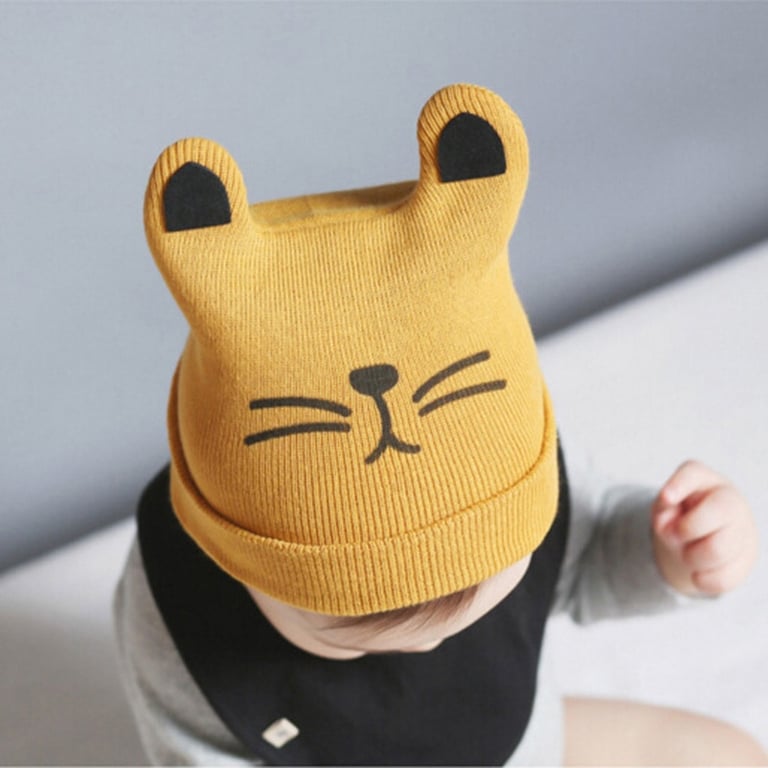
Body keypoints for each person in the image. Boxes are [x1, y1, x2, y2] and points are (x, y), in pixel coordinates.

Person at [114, 84, 766, 766]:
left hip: (525, 748)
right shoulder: (178, 617)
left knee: (728, 755)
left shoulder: (506, 471)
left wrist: (672, 555)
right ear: (227, 554)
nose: (430, 646)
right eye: (351, 632)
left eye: (475, 602)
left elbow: (590, 557)